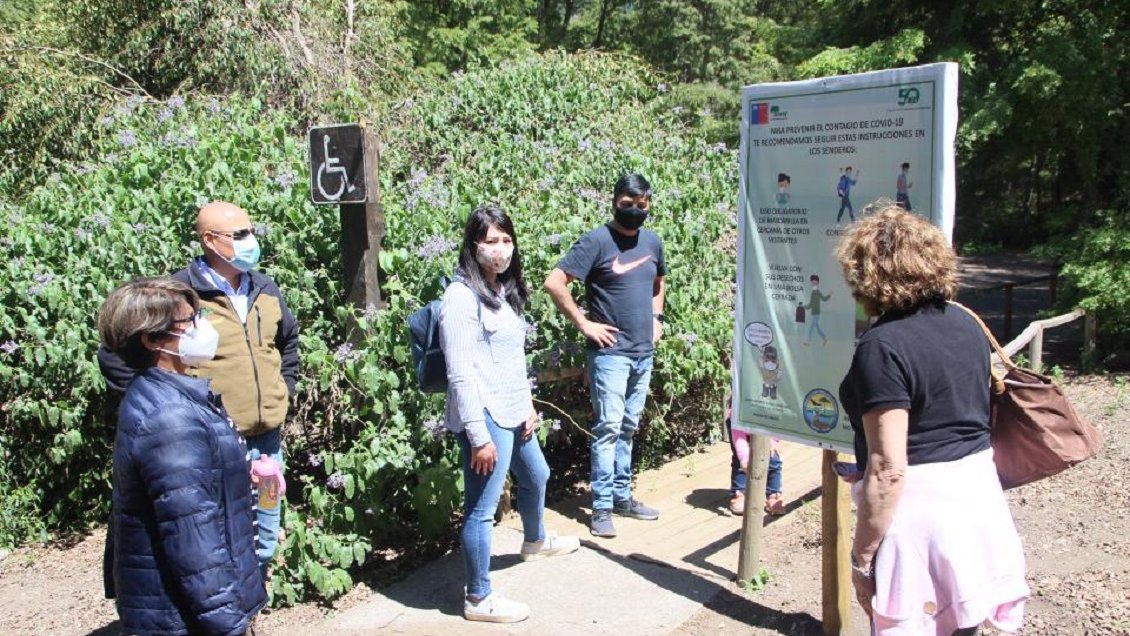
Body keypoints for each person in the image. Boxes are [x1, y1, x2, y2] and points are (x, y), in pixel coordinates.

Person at [835, 204, 1028, 635]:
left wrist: (861, 560)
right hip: (977, 496)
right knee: (964, 622)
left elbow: (889, 470)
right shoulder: (966, 322)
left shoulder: (881, 347)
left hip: (920, 516)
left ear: (865, 273)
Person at [98, 201, 299, 582]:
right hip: (214, 443)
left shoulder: (265, 288)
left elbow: (288, 344)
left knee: (264, 539)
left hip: (268, 443)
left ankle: (250, 609)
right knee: (221, 540)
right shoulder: (180, 296)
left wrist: (283, 390)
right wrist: (152, 403)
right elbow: (116, 352)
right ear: (209, 239)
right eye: (239, 234)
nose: (250, 241)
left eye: (250, 231)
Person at [98, 277, 265, 635]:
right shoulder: (169, 419)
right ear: (152, 339)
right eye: (189, 321)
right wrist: (230, 624)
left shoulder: (160, 395)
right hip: (185, 620)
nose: (201, 328)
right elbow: (193, 543)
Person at [440, 206, 580, 623]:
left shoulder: (502, 291)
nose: (500, 248)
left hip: (513, 409)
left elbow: (511, 358)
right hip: (484, 416)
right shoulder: (460, 297)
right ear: (473, 246)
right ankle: (478, 598)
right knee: (481, 509)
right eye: (490, 240)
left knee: (537, 475)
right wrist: (478, 437)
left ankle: (535, 540)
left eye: (505, 239)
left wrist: (528, 403)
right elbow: (461, 374)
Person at [543, 174, 666, 538]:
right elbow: (554, 282)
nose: (635, 209)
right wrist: (584, 323)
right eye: (629, 201)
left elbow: (660, 281)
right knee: (609, 428)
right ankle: (600, 508)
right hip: (610, 356)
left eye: (642, 203)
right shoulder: (597, 241)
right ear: (614, 201)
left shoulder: (653, 242)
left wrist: (657, 318)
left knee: (628, 427)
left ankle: (622, 497)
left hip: (643, 353)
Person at [725, 404, 785, 516]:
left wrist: (772, 441)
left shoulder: (775, 404)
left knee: (774, 460)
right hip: (740, 429)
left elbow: (778, 423)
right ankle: (739, 492)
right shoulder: (738, 407)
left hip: (768, 425)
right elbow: (739, 438)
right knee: (739, 462)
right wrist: (744, 459)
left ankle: (773, 494)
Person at [802, 274, 831, 346]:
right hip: (813, 313)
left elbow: (824, 299)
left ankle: (807, 341)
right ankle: (825, 338)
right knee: (817, 328)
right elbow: (811, 304)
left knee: (810, 328)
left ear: (818, 284)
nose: (813, 284)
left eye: (815, 283)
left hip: (816, 314)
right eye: (812, 283)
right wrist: (804, 307)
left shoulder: (817, 292)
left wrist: (830, 294)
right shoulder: (813, 293)